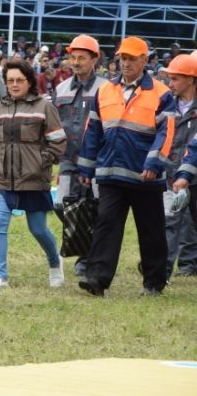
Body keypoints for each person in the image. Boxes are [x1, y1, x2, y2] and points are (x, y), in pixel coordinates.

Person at [77, 36, 175, 297]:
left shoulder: (161, 93)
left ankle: (154, 282)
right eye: (123, 58)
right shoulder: (105, 90)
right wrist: (86, 168)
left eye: (132, 58)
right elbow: (93, 131)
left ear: (145, 60)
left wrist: (154, 163)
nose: (126, 63)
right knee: (106, 225)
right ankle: (96, 278)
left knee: (151, 230)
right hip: (110, 173)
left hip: (145, 176)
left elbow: (167, 132)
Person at [0, 60, 67, 289]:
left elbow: (58, 141)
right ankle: (1, 276)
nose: (14, 84)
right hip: (1, 177)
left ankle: (54, 261)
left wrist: (43, 162)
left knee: (38, 229)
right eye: (10, 80)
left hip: (33, 178)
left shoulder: (44, 107)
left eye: (19, 80)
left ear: (30, 81)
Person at [52, 34, 108, 277]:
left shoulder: (106, 88)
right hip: (67, 160)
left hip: (97, 161)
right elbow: (54, 126)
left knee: (97, 209)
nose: (76, 62)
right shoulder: (61, 88)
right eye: (73, 57)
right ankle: (83, 248)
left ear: (94, 59)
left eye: (82, 58)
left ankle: (88, 258)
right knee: (60, 204)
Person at [160, 52, 197, 279]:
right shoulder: (165, 105)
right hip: (171, 174)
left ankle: (190, 264)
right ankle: (162, 269)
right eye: (169, 78)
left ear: (191, 79)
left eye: (175, 79)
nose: (170, 84)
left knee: (192, 223)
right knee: (169, 220)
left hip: (194, 176)